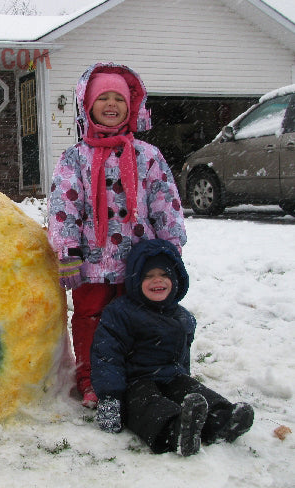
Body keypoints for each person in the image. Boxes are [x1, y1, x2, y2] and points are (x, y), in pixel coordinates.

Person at [47, 62, 187, 408]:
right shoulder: (74, 159)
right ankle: (92, 378)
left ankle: (140, 375)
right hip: (91, 265)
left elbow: (165, 204)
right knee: (90, 320)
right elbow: (64, 206)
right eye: (103, 98)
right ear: (88, 106)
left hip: (140, 262)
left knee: (140, 319)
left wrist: (170, 250)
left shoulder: (147, 156)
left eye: (119, 99)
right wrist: (67, 252)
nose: (112, 105)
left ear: (131, 107)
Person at [91, 238, 254, 456]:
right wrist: (110, 398)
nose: (157, 281)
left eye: (164, 274)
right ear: (134, 280)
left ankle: (221, 420)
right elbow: (106, 356)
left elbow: (182, 355)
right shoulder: (120, 313)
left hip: (171, 377)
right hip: (135, 381)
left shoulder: (182, 316)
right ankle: (175, 431)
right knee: (149, 404)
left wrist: (184, 377)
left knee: (192, 389)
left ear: (176, 279)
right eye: (148, 276)